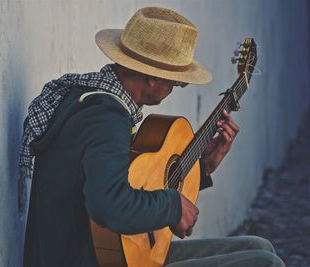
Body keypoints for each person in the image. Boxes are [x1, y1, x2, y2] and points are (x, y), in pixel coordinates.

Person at [20, 6, 285, 267]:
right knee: (265, 262)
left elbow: (133, 183)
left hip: (112, 252)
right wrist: (172, 206)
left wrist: (203, 168)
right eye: (176, 81)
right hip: (86, 259)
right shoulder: (105, 118)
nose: (174, 88)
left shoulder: (94, 101)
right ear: (152, 78)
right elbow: (109, 205)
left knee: (259, 247)